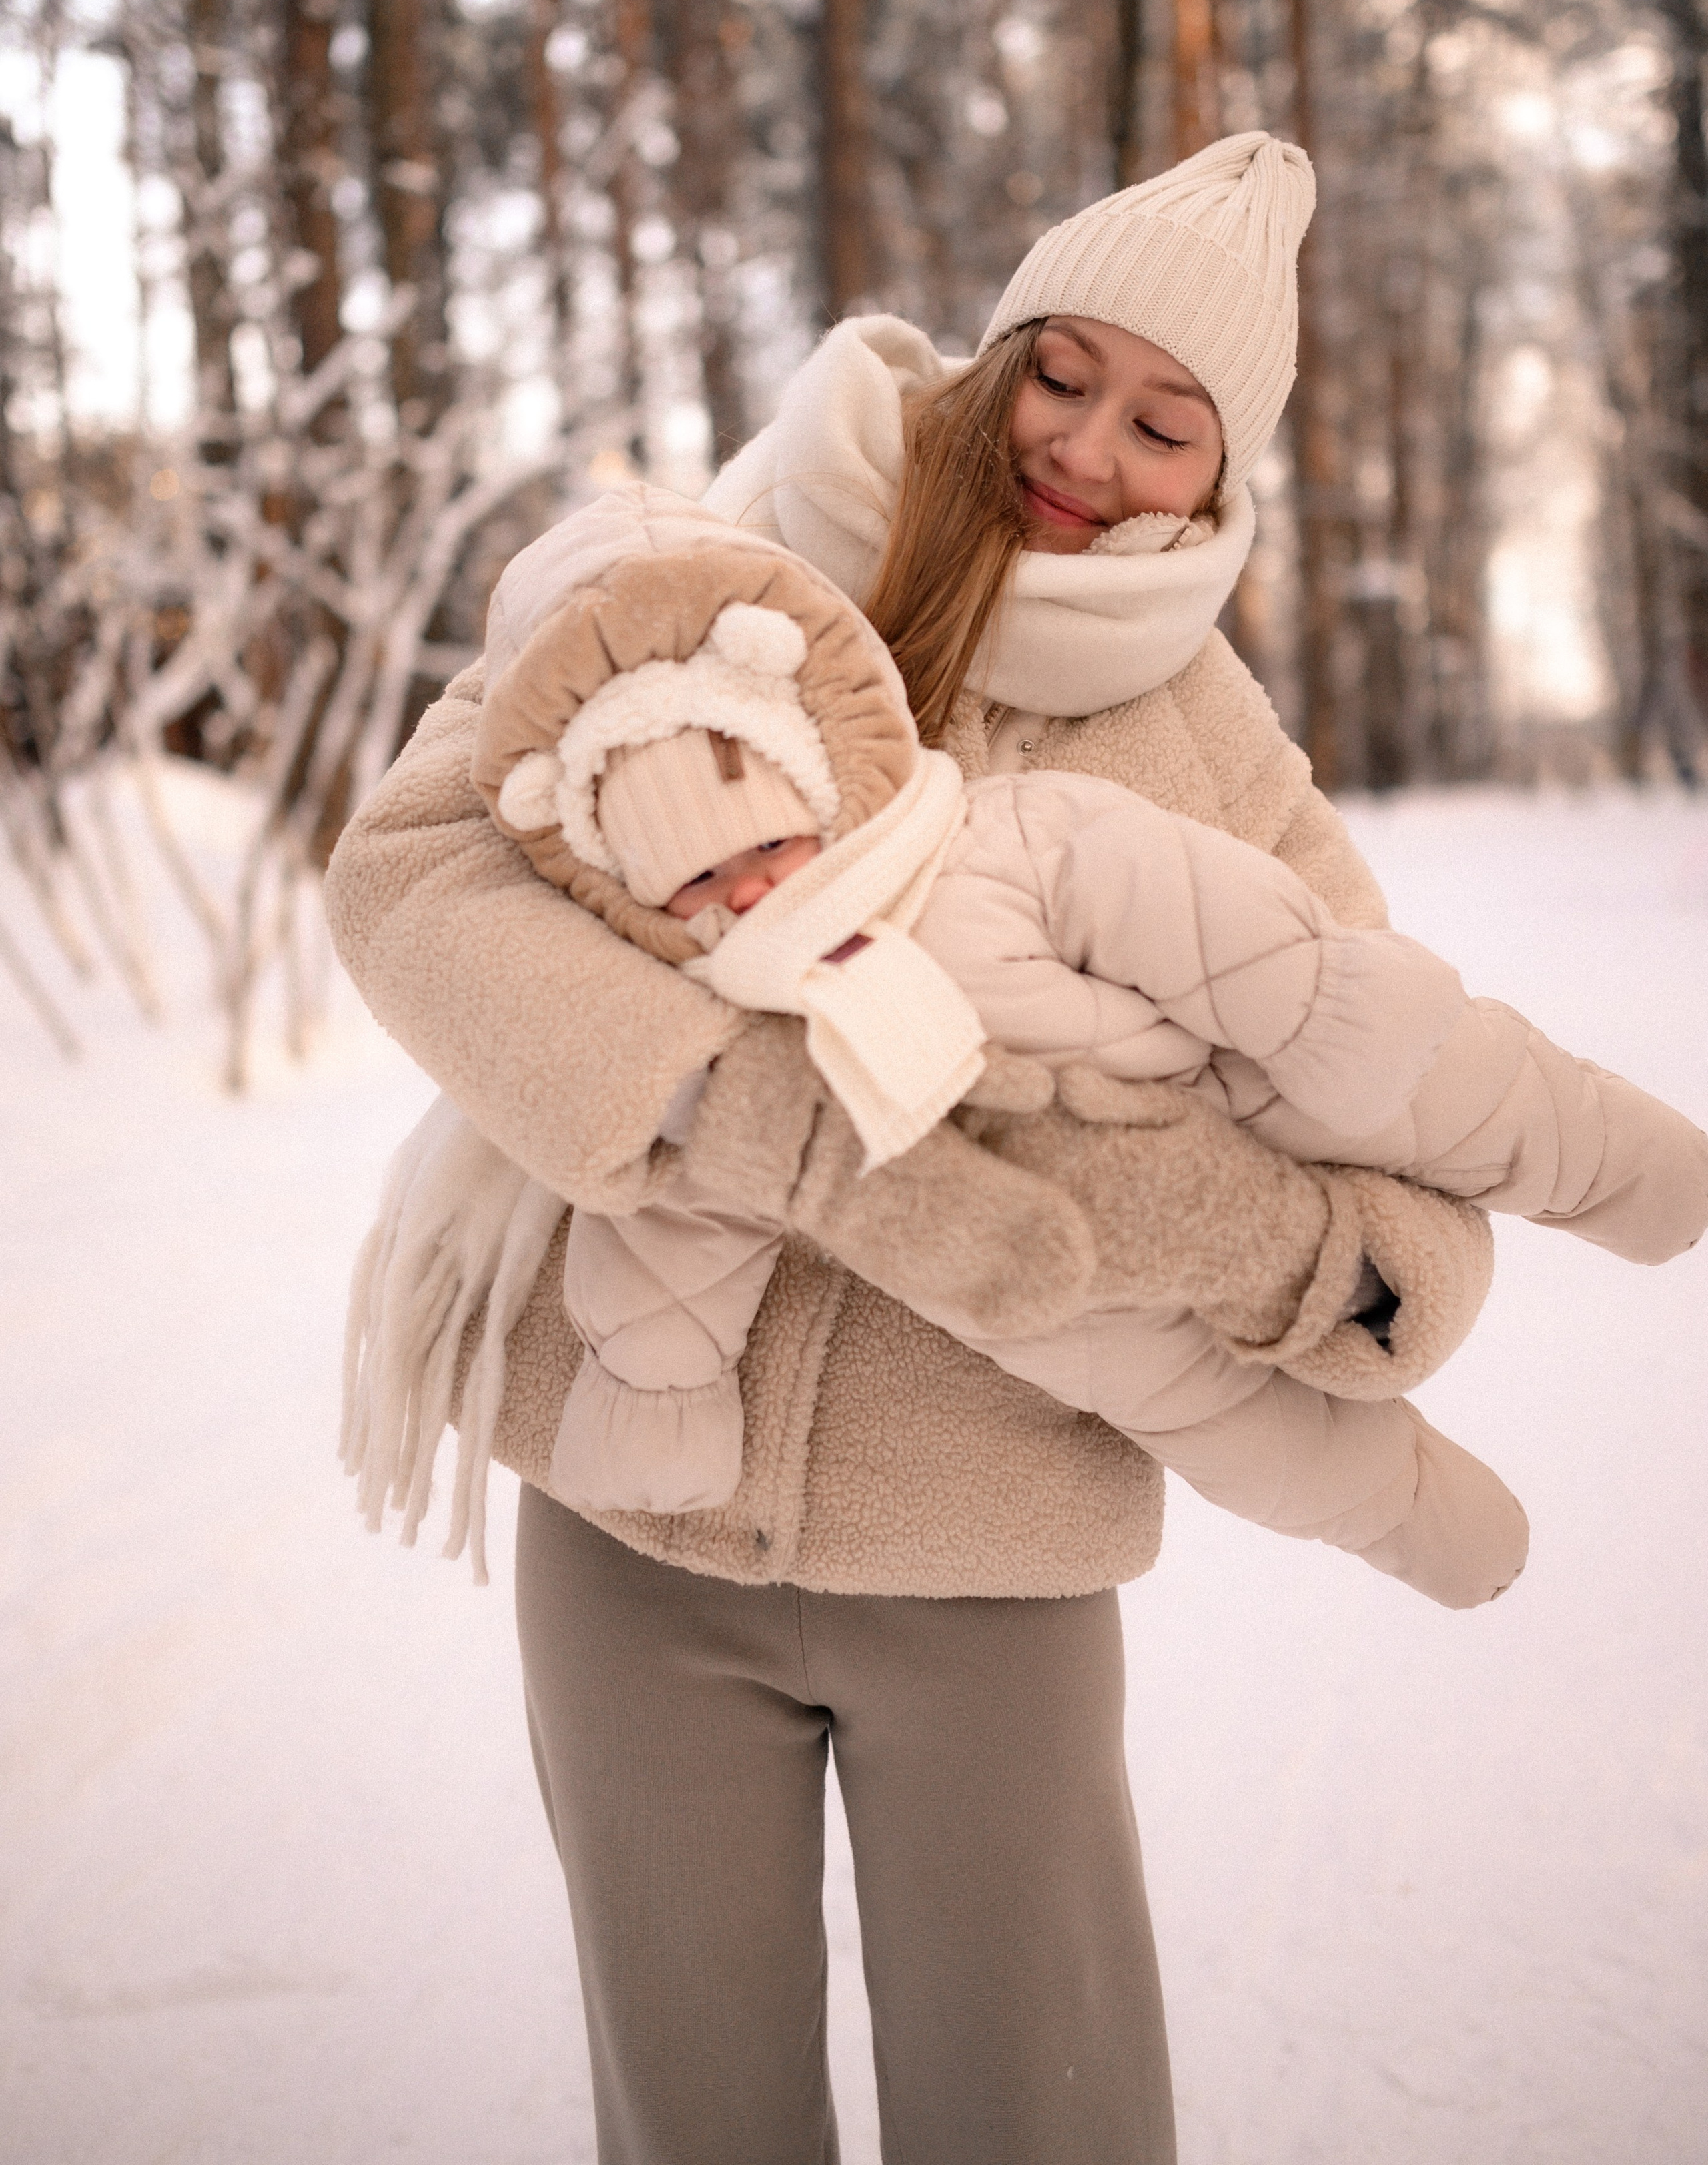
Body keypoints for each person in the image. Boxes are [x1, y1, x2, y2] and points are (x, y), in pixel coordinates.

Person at [326, 133, 1526, 2165]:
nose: (1083, 444)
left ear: (1218, 476)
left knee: (1037, 2115)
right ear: (995, 347)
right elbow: (414, 863)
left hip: (994, 1551)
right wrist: (721, 1105)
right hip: (633, 1508)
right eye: (1059, 370)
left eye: (1163, 423)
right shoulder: (731, 554)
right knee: (690, 2116)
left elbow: (1405, 1147)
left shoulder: (1217, 758)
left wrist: (1254, 1245)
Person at [409, 502, 1700, 1591]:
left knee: (1465, 1086)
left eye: (764, 842)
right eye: (697, 880)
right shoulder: (726, 1027)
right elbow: (689, 1221)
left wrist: (1321, 1014)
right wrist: (661, 1392)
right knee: (1224, 1424)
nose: (748, 889)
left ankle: (1650, 1175)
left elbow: (1194, 908)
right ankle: (1422, 1520)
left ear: (812, 767)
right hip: (1039, 1286)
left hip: (1224, 1071)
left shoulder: (996, 834)